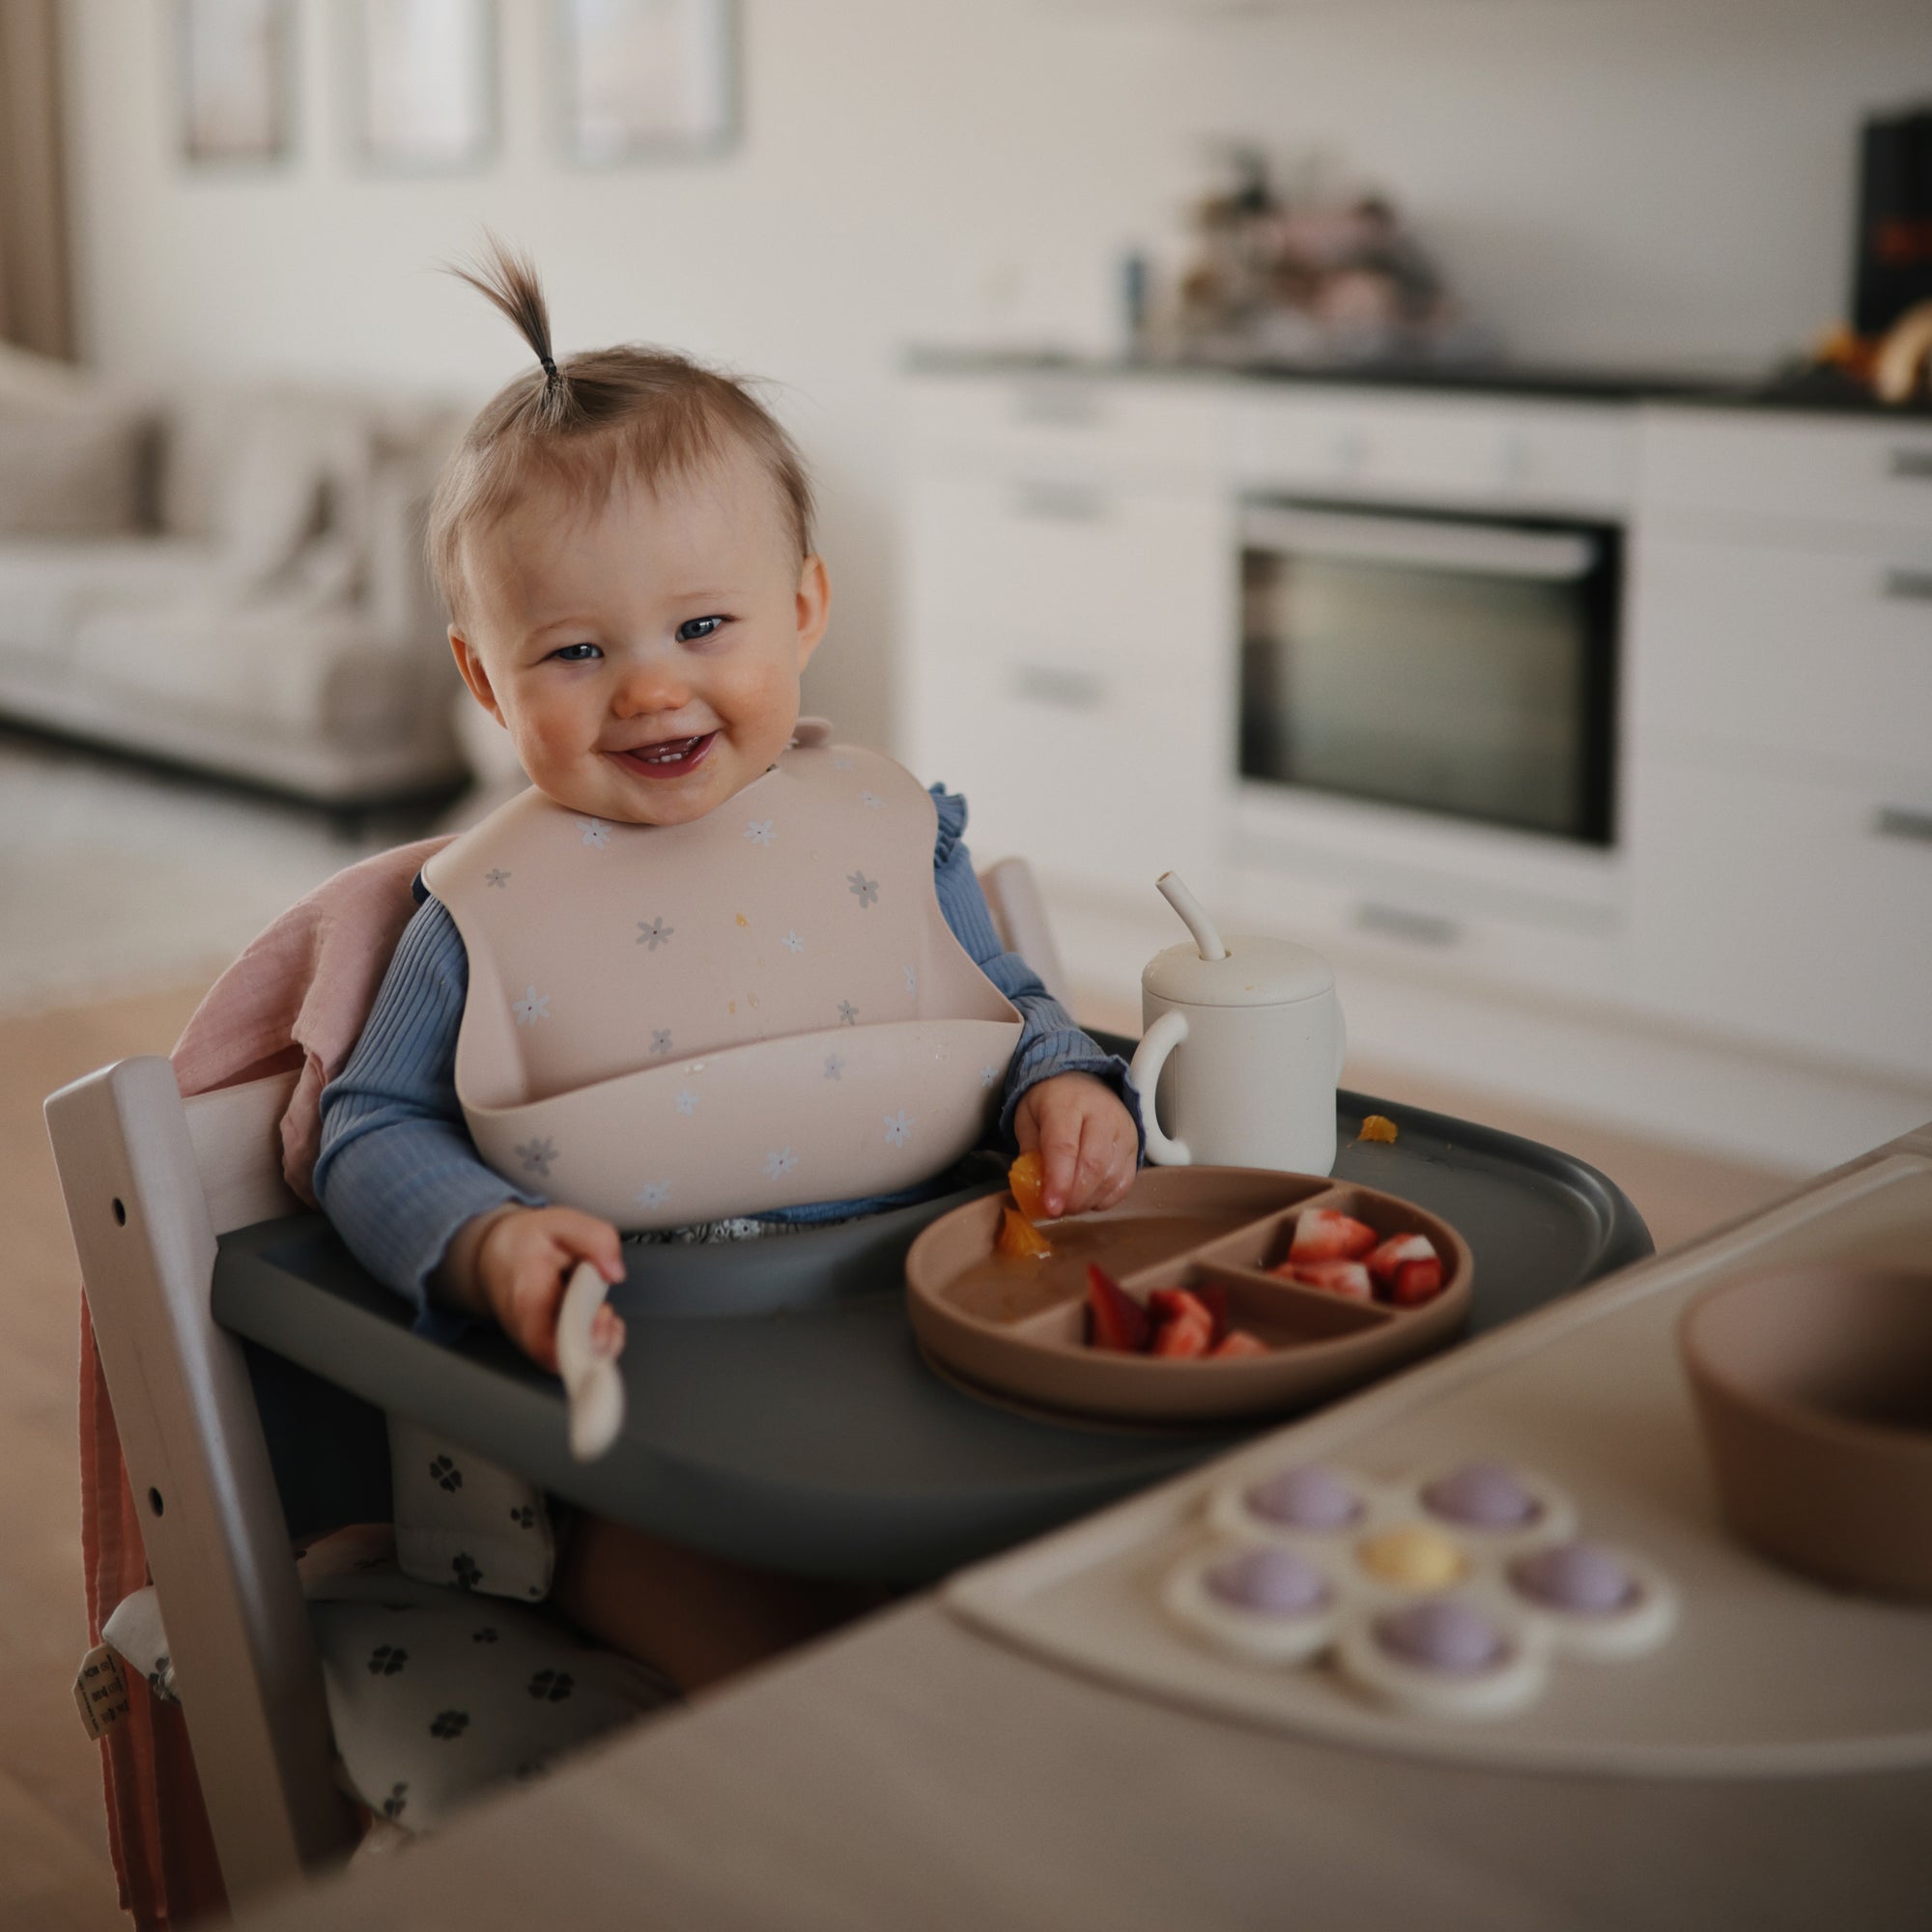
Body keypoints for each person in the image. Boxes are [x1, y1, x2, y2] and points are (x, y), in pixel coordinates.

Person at [315, 239, 1142, 1690]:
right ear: (481, 676)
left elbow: (994, 1001)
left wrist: (1062, 1083)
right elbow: (368, 1126)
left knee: (1104, 1563)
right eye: (572, 651)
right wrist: (486, 1241)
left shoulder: (886, 830)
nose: (649, 686)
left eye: (705, 626)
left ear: (805, 610)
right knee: (822, 1674)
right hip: (645, 1418)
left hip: (930, 1329)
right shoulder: (481, 912)